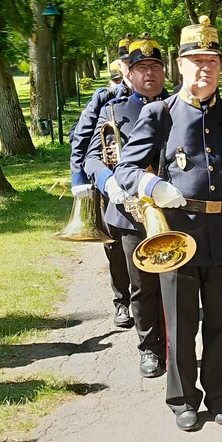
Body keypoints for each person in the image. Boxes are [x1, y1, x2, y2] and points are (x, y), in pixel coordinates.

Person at [114, 16, 222, 431]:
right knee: (180, 323)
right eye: (197, 61)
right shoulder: (159, 113)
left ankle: (220, 396)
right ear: (180, 65)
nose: (205, 69)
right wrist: (152, 185)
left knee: (221, 322)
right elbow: (126, 168)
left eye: (212, 62)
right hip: (176, 235)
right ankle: (183, 399)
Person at [84, 37, 170, 378]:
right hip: (131, 212)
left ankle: (179, 346)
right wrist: (108, 182)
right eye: (141, 68)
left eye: (155, 67)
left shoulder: (180, 106)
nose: (149, 73)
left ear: (165, 71)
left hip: (175, 208)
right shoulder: (112, 111)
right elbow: (92, 157)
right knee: (143, 286)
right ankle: (149, 348)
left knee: (179, 285)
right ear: (129, 74)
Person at [70, 45, 133, 330]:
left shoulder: (157, 95)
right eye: (125, 64)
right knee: (115, 247)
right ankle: (122, 302)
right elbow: (82, 137)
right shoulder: (104, 98)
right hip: (110, 183)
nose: (129, 69)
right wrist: (78, 177)